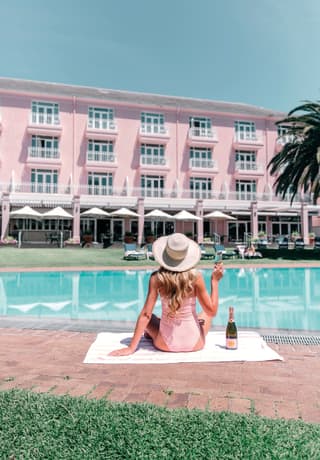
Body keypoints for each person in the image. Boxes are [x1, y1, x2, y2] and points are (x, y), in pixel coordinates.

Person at [109, 233, 224, 356]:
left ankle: (150, 333)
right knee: (205, 313)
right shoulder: (196, 277)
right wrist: (215, 281)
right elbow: (212, 311)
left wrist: (131, 348)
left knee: (151, 317)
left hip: (165, 344)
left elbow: (145, 315)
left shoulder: (157, 278)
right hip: (195, 343)